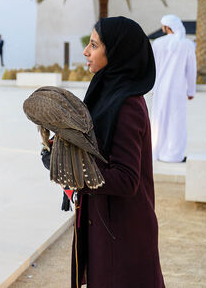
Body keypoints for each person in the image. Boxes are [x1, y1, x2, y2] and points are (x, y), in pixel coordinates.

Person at [72, 16, 163, 287]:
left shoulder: (127, 105)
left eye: (94, 45)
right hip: (104, 226)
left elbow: (126, 179)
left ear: (117, 52)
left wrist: (76, 171)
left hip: (122, 234)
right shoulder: (105, 94)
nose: (86, 51)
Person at [151, 14, 196, 163]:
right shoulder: (188, 44)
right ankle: (173, 155)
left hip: (159, 89)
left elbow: (152, 68)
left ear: (166, 27)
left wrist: (150, 88)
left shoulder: (157, 43)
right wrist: (191, 91)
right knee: (176, 122)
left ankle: (155, 153)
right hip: (178, 90)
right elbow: (191, 70)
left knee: (158, 120)